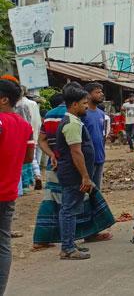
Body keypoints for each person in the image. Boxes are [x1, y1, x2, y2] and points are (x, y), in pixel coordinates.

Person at [53, 85, 100, 259]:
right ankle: (67, 248)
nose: (86, 106)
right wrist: (85, 176)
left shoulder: (74, 121)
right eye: (84, 103)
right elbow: (76, 152)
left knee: (70, 209)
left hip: (72, 173)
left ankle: (70, 244)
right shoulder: (72, 123)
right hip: (73, 174)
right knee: (69, 210)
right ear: (74, 105)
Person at [0, 79, 33, 292]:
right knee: (3, 243)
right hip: (8, 191)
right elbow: (29, 157)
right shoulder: (24, 125)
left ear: (3, 99)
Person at [81, 83, 107, 192]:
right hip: (87, 158)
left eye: (101, 91)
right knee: (87, 190)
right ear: (88, 95)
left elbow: (102, 135)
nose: (101, 94)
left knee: (97, 191)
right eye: (97, 92)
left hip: (100, 156)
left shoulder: (101, 114)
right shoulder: (83, 114)